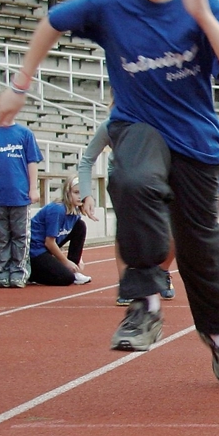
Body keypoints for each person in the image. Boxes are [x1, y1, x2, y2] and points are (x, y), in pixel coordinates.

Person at [0, 0, 219, 387]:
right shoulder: (108, 4)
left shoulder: (203, 5)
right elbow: (52, 22)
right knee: (131, 178)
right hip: (138, 126)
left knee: (201, 252)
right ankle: (145, 301)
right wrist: (19, 85)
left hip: (198, 144)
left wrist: (204, 18)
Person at [78, 117, 177, 303]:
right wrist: (86, 194)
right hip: (123, 179)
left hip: (156, 177)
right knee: (126, 229)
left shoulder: (157, 119)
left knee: (172, 231)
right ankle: (127, 283)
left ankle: (162, 271)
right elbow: (87, 160)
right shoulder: (110, 126)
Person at [0, 118, 42, 288]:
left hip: (19, 194)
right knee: (1, 237)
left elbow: (32, 162)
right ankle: (2, 272)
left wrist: (33, 188)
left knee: (21, 236)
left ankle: (19, 272)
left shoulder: (24, 134)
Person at [28, 176, 93, 286]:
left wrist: (78, 260)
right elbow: (49, 242)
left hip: (46, 248)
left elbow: (75, 235)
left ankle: (74, 270)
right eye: (76, 192)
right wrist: (66, 262)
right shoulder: (57, 210)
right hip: (35, 250)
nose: (80, 196)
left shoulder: (74, 212)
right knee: (66, 278)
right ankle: (30, 273)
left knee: (80, 226)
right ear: (67, 192)